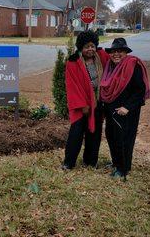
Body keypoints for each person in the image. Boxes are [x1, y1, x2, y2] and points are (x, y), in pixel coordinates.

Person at [100, 37, 150, 178]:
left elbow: (139, 90)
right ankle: (116, 163)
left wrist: (127, 107)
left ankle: (123, 169)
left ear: (126, 52)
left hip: (126, 111)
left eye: (120, 51)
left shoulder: (133, 64)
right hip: (111, 109)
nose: (116, 54)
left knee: (124, 139)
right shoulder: (110, 66)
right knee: (111, 136)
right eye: (113, 51)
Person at [62, 30, 109, 170]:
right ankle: (68, 163)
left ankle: (90, 161)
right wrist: (83, 105)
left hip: (98, 101)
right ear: (81, 47)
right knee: (76, 133)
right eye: (87, 46)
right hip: (81, 104)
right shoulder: (73, 62)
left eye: (93, 46)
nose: (90, 49)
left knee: (95, 133)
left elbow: (115, 59)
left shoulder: (101, 57)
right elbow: (72, 85)